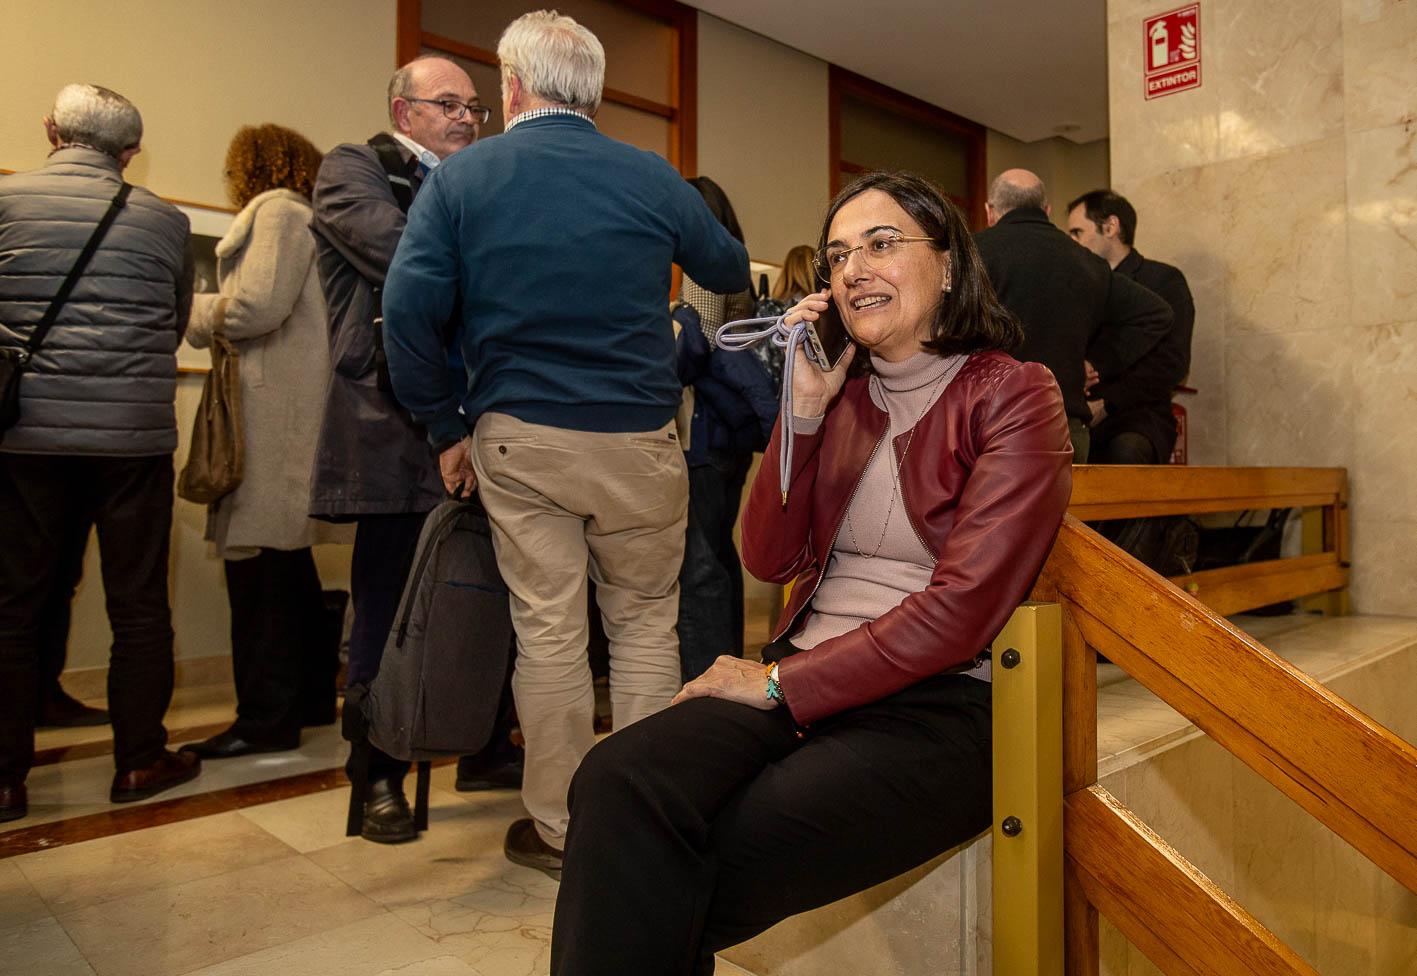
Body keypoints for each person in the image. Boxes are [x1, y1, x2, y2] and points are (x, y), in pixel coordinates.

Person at [549, 171, 1072, 974]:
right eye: (837, 255)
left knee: (678, 862)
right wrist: (798, 414)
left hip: (941, 702)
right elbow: (765, 556)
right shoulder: (844, 397)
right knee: (617, 778)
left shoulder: (1013, 394)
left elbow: (962, 610)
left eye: (881, 244)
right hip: (803, 677)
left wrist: (774, 684)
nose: (853, 267)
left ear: (949, 263)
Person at [382, 9, 748, 875]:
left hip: (521, 439)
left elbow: (406, 314)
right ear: (593, 89)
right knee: (646, 630)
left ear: (511, 87)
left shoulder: (465, 178)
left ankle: (562, 829)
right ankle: (647, 822)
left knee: (547, 634)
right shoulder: (651, 176)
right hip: (638, 441)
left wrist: (445, 422)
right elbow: (729, 269)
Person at [308, 55, 518, 844]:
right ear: (404, 111)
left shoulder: (481, 181)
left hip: (483, 418)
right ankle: (377, 779)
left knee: (488, 592)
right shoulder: (353, 167)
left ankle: (483, 743)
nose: (467, 117)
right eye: (448, 104)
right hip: (390, 424)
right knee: (390, 607)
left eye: (476, 107)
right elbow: (405, 259)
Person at [0, 84, 199, 822]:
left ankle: (5, 778)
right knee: (140, 604)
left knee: (12, 607)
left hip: (27, 438)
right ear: (131, 153)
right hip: (133, 438)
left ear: (50, 131)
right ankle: (140, 761)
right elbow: (174, 322)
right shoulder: (166, 222)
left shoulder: (8, 206)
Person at [178, 124, 350, 760]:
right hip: (292, 420)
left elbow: (255, 307)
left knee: (260, 575)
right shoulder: (308, 216)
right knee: (286, 568)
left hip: (272, 423)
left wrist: (191, 311)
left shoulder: (278, 213)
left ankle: (265, 718)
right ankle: (301, 702)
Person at [974, 168, 1172, 462]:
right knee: (1067, 510)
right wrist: (1098, 362)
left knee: (988, 509)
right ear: (1047, 210)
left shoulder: (972, 253)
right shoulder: (1087, 262)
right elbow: (1157, 314)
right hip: (1065, 427)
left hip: (988, 423)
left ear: (990, 211)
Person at [674, 176, 772, 682]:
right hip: (731, 436)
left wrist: (674, 321)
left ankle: (707, 676)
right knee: (718, 553)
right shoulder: (734, 261)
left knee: (699, 564)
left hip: (705, 434)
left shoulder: (703, 267)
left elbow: (698, 347)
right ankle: (727, 661)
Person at [1066, 189, 1195, 464]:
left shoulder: (1164, 281)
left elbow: (1172, 364)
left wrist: (1108, 403)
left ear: (1110, 227)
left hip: (1137, 416)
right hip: (1079, 414)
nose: (1072, 242)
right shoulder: (1075, 286)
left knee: (1125, 451)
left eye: (1077, 232)